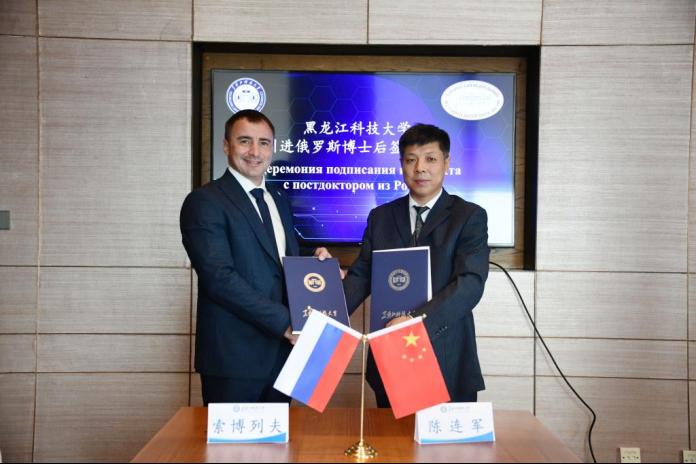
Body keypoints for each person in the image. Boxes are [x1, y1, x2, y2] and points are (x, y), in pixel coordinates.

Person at [180, 109, 331, 405]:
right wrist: (286, 322)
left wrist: (314, 260)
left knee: (279, 436)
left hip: (283, 355)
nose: (254, 152)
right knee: (233, 438)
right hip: (234, 358)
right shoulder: (205, 201)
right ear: (226, 145)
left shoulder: (278, 199)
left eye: (263, 143)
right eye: (244, 141)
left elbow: (277, 255)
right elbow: (218, 278)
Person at [343, 123, 489, 405]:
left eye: (430, 159)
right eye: (411, 160)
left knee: (445, 436)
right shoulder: (381, 217)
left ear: (446, 162)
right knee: (391, 434)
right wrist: (326, 311)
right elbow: (362, 275)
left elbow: (470, 284)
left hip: (446, 354)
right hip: (391, 353)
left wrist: (415, 322)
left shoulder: (468, 216)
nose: (420, 168)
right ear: (402, 164)